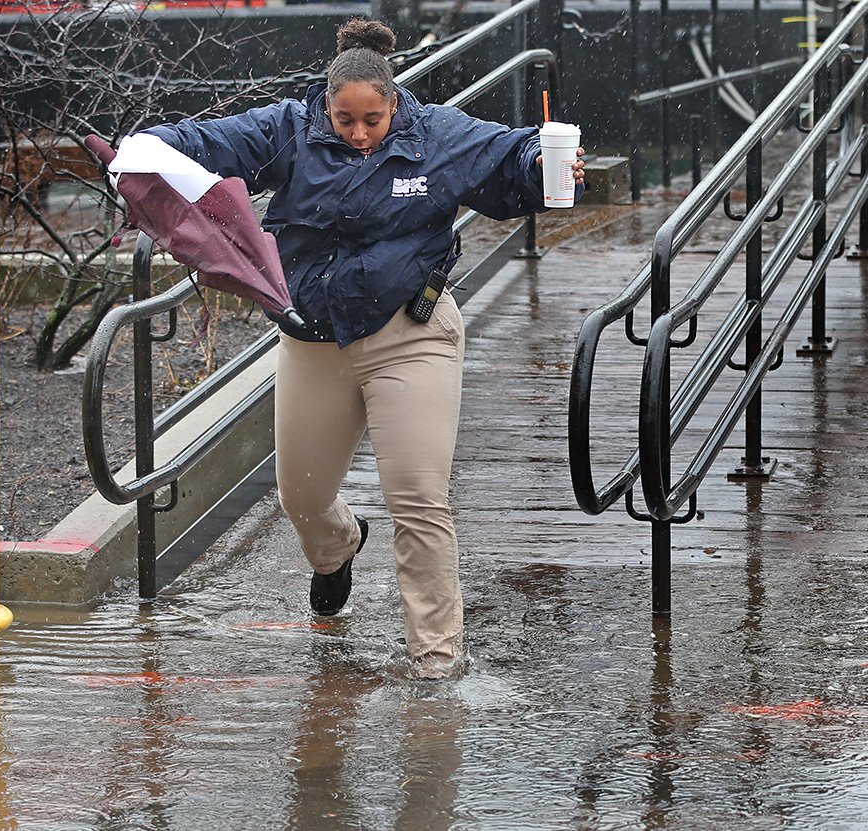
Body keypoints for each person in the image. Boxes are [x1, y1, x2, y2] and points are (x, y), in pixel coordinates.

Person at [143, 17, 586, 678]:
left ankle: (437, 661)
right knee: (302, 495)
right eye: (345, 120)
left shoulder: (434, 133)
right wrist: (149, 147)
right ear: (326, 106)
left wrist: (547, 164)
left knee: (418, 497)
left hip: (411, 335)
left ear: (393, 103)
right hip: (314, 340)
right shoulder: (289, 130)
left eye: (372, 120)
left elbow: (512, 154)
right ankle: (339, 547)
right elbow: (209, 142)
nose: (358, 134)